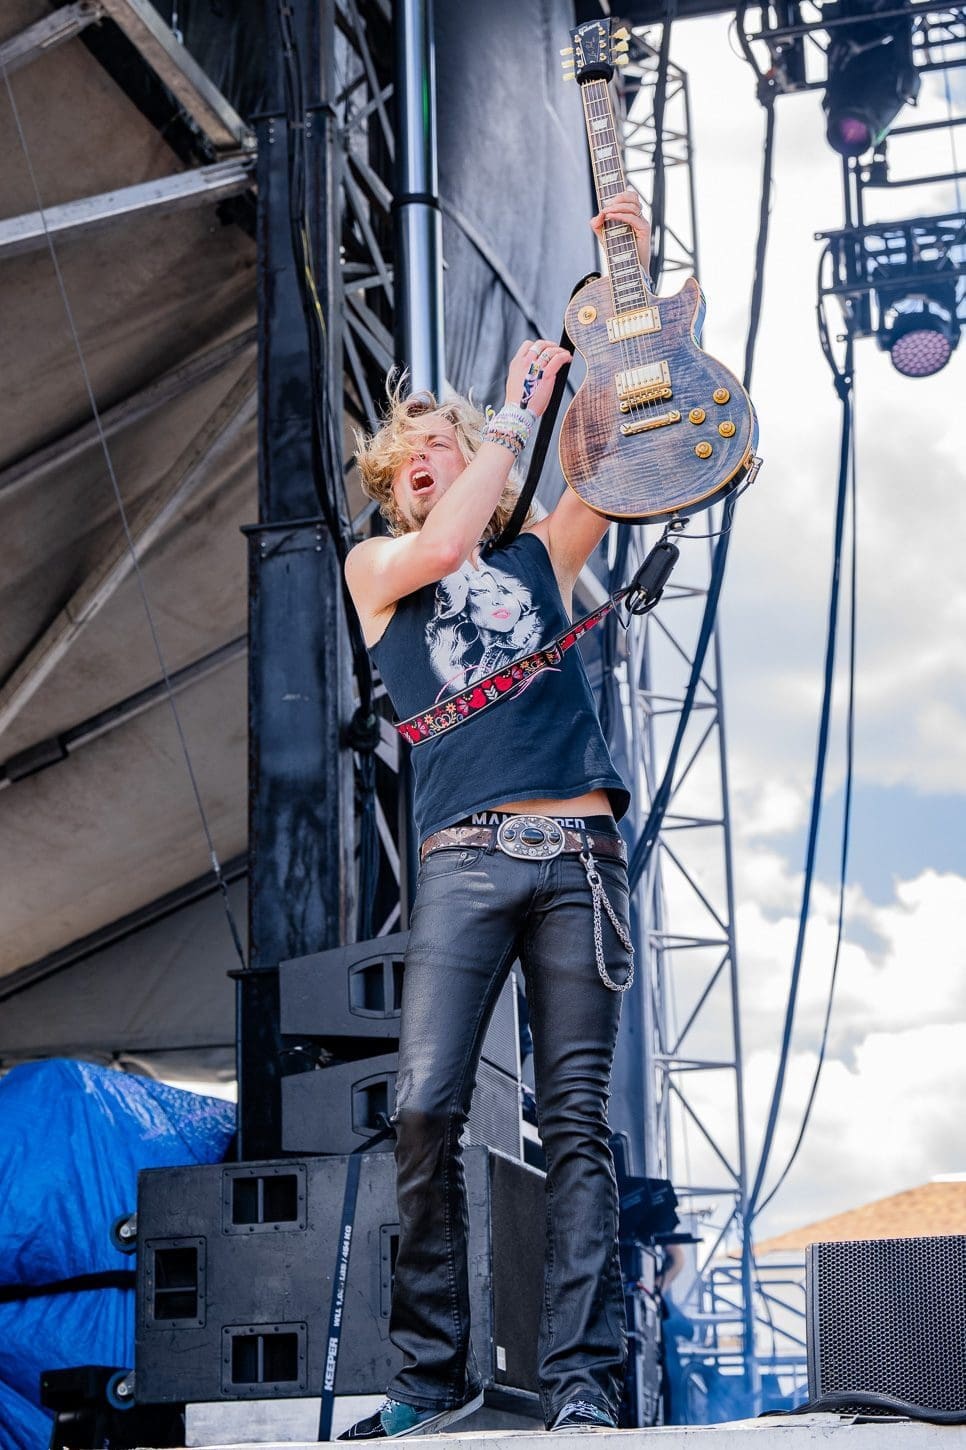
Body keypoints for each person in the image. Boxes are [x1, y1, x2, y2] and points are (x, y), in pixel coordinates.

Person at [339, 191, 651, 1440]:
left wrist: (627, 274)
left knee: (577, 1119)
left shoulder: (532, 560)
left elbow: (629, 452)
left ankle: (581, 1378)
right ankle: (431, 1378)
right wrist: (508, 421)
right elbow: (462, 520)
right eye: (407, 460)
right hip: (463, 865)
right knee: (425, 1106)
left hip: (578, 850)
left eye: (440, 441)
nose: (423, 463)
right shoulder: (380, 571)